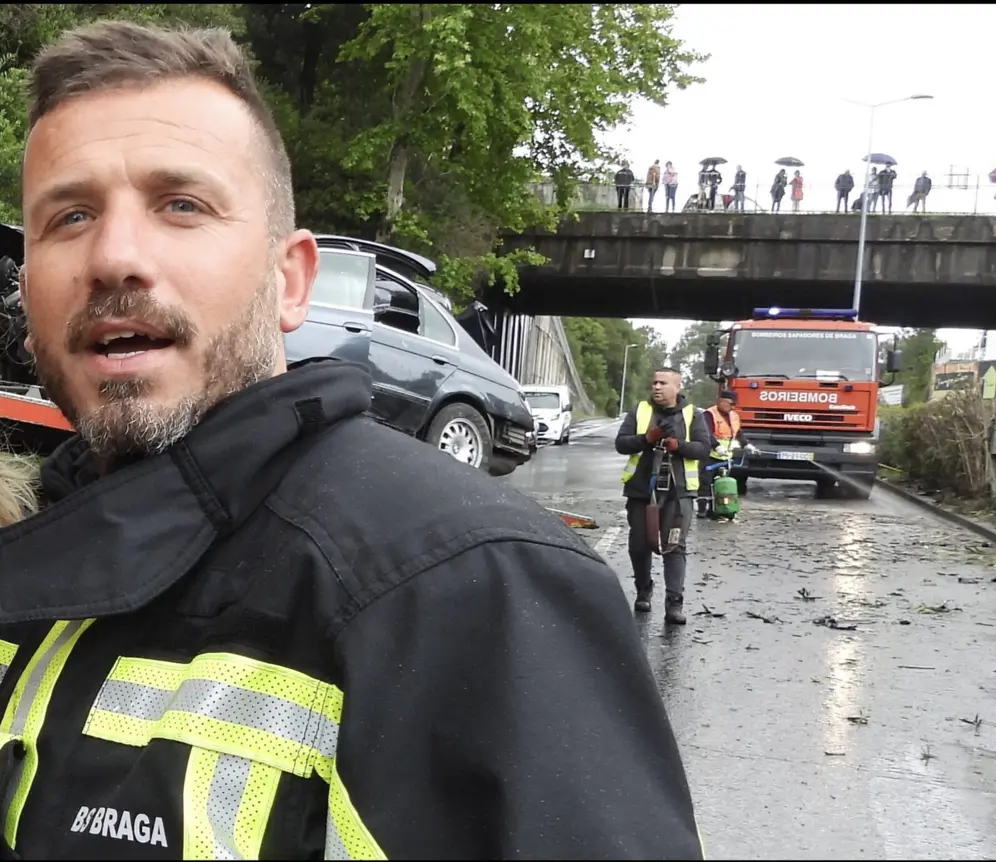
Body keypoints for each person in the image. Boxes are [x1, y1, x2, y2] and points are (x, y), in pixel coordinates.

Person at [0, 21, 703, 859]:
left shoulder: (478, 586)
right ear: (27, 284)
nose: (115, 255)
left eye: (181, 205)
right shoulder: (36, 547)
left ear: (290, 279)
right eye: (69, 216)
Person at [615, 368, 710, 624]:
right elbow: (621, 444)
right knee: (639, 544)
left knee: (674, 546)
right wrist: (647, 439)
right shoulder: (640, 411)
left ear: (677, 387)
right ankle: (643, 590)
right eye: (654, 382)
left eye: (663, 383)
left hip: (679, 493)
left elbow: (703, 448)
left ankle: (674, 604)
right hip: (642, 490)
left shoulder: (693, 415)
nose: (656, 387)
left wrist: (678, 445)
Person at [697, 390, 757, 519]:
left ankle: (718, 509)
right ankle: (703, 510)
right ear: (721, 401)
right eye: (730, 404)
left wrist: (746, 444)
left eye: (734, 404)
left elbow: (738, 432)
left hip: (725, 457)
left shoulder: (734, 415)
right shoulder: (709, 414)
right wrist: (716, 446)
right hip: (710, 456)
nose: (733, 407)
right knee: (705, 483)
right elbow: (706, 433)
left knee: (722, 484)